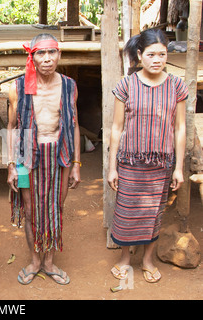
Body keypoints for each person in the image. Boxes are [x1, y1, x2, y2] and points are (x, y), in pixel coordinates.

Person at [108, 29, 187, 283]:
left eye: (162, 54)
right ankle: (124, 259)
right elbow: (117, 128)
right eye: (151, 54)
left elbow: (180, 128)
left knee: (154, 214)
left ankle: (147, 260)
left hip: (161, 164)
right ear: (139, 55)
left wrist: (179, 168)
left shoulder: (177, 86)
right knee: (126, 212)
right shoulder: (126, 84)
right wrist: (112, 167)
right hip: (129, 162)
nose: (157, 60)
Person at [7, 34, 81, 285]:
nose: (47, 58)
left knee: (56, 209)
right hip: (28, 157)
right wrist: (11, 166)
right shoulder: (18, 87)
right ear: (32, 57)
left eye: (52, 52)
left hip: (60, 156)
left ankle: (49, 262)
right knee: (30, 212)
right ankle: (35, 261)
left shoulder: (70, 85)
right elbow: (11, 127)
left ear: (59, 55)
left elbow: (75, 124)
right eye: (41, 53)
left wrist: (76, 164)